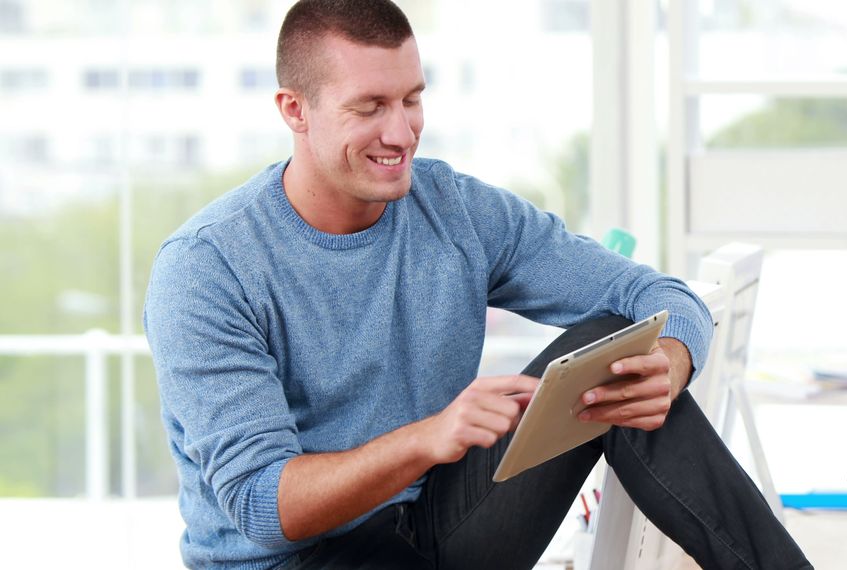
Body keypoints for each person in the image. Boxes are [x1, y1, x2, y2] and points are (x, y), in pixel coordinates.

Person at [143, 1, 811, 568]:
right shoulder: (208, 268)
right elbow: (262, 505)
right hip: (299, 560)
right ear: (295, 110)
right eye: (370, 107)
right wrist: (430, 437)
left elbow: (658, 296)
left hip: (428, 528)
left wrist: (672, 360)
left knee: (615, 347)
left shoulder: (455, 210)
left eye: (411, 99)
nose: (400, 132)